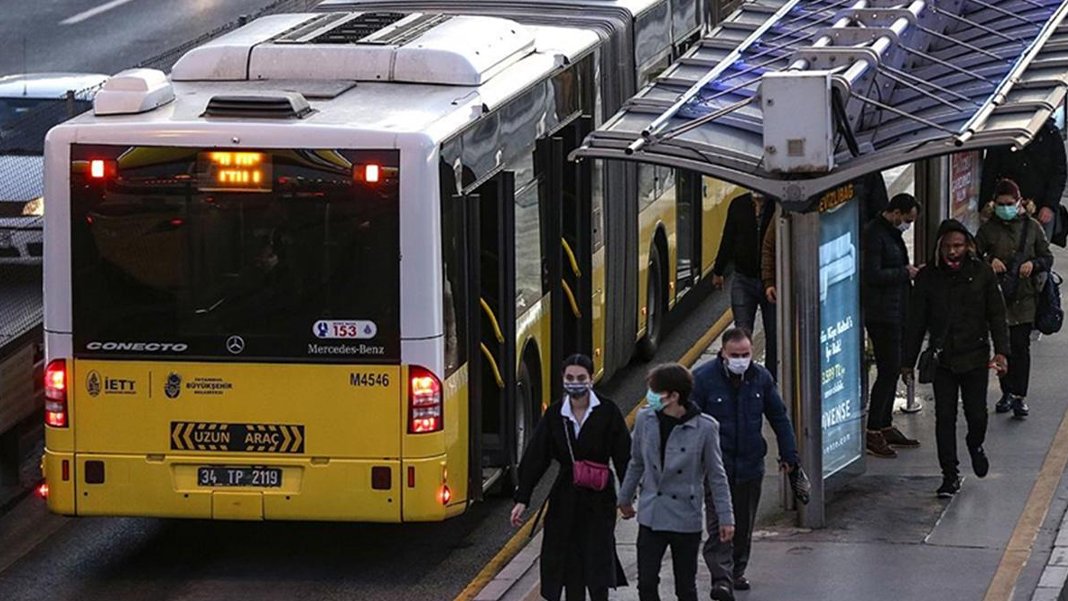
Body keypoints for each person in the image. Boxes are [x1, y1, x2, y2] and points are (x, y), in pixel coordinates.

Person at [903, 219, 1010, 498]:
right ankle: (949, 474)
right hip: (944, 359)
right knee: (944, 417)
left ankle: (975, 444)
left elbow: (996, 315)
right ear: (939, 247)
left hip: (975, 356)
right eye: (948, 246)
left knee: (977, 415)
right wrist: (907, 362)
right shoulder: (927, 278)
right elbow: (916, 322)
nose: (953, 252)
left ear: (968, 246)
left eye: (958, 246)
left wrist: (1001, 351)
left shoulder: (982, 273)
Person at [511, 354, 631, 601]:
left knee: (598, 564)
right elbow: (537, 457)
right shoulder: (555, 414)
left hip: (600, 499)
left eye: (581, 378)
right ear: (563, 379)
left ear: (591, 379)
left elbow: (624, 456)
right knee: (570, 566)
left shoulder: (608, 411)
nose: (575, 383)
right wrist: (523, 498)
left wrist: (627, 496)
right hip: (565, 498)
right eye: (570, 378)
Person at [692, 327, 800, 594]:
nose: (741, 360)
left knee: (743, 524)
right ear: (723, 354)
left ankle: (736, 571)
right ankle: (721, 578)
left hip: (750, 465)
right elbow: (690, 423)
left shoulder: (760, 378)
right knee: (720, 524)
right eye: (735, 355)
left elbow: (779, 416)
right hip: (717, 467)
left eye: (745, 355)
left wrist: (789, 455)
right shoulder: (703, 379)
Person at [618, 363, 735, 601]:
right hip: (652, 515)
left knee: (685, 587)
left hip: (685, 517)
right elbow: (636, 462)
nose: (650, 396)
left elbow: (716, 476)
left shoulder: (705, 428)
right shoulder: (645, 419)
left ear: (673, 396)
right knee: (646, 583)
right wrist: (624, 498)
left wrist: (726, 518)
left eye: (655, 391)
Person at [976, 179, 1054, 419]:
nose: (1005, 208)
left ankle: (1019, 395)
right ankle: (1006, 391)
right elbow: (974, 256)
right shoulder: (988, 230)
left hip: (1025, 297)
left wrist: (1033, 264)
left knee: (1021, 348)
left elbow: (1047, 257)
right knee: (1003, 347)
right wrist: (989, 261)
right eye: (1001, 204)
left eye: (1009, 203)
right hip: (998, 298)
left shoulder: (1032, 227)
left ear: (1019, 202)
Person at [862, 193, 922, 458]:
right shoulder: (875, 234)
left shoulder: (889, 233)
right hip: (881, 313)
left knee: (892, 369)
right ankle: (873, 429)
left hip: (894, 310)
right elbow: (872, 274)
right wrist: (904, 272)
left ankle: (884, 424)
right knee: (888, 370)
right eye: (907, 219)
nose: (907, 225)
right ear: (896, 212)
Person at [712, 190, 777, 377]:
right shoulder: (738, 205)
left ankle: (770, 380)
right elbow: (728, 237)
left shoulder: (777, 206)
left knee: (774, 335)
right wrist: (718, 270)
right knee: (742, 333)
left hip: (771, 283)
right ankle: (742, 378)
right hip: (743, 279)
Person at [980, 116, 1067, 241]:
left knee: (1038, 246)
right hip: (1006, 206)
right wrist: (985, 205)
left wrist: (1049, 205)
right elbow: (990, 172)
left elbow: (1059, 173)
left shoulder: (1050, 134)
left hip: (1039, 207)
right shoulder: (1003, 134)